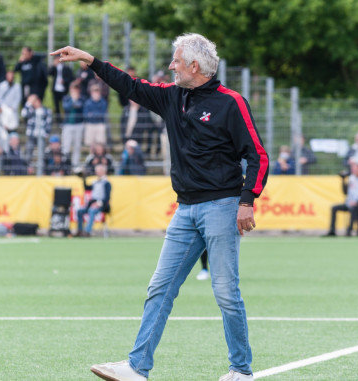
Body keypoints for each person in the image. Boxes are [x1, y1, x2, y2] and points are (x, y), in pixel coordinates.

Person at [52, 32, 268, 381]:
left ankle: (241, 371)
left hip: (222, 208)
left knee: (226, 293)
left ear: (194, 66)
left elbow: (257, 156)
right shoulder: (172, 97)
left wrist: (247, 201)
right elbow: (131, 85)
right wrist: (89, 60)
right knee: (159, 288)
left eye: (176, 61)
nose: (170, 66)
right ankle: (137, 367)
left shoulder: (231, 103)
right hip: (184, 211)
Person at [324, 160, 358, 237]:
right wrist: (343, 180)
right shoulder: (351, 178)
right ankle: (332, 231)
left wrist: (357, 202)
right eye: (352, 169)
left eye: (355, 168)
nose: (353, 170)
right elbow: (345, 192)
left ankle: (349, 231)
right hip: (350, 203)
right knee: (334, 208)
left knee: (353, 209)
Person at [75, 164, 111, 237]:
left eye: (99, 171)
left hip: (102, 205)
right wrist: (84, 178)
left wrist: (98, 203)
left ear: (104, 172)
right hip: (92, 203)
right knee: (80, 211)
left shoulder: (106, 183)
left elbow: (107, 197)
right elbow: (87, 188)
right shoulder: (95, 182)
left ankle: (87, 231)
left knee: (92, 210)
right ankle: (80, 230)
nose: (97, 172)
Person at [21, 94, 53, 161]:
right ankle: (27, 168)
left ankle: (41, 168)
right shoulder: (31, 110)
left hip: (41, 136)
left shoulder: (46, 111)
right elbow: (23, 114)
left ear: (38, 100)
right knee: (28, 153)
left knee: (42, 154)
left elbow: (49, 123)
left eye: (33, 101)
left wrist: (46, 133)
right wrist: (28, 103)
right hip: (31, 135)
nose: (33, 103)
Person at [61, 82, 85, 166]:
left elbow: (81, 107)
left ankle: (75, 164)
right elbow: (66, 107)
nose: (74, 91)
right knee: (66, 145)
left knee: (77, 146)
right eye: (73, 89)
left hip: (79, 124)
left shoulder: (82, 98)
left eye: (76, 89)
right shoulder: (66, 98)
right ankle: (64, 163)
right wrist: (74, 101)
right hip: (68, 124)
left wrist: (75, 102)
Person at [49, 55, 74, 121]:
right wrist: (53, 65)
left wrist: (64, 81)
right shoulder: (55, 67)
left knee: (65, 105)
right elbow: (49, 73)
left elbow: (71, 78)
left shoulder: (66, 68)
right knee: (56, 105)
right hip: (55, 90)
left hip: (63, 90)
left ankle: (66, 119)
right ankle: (58, 120)